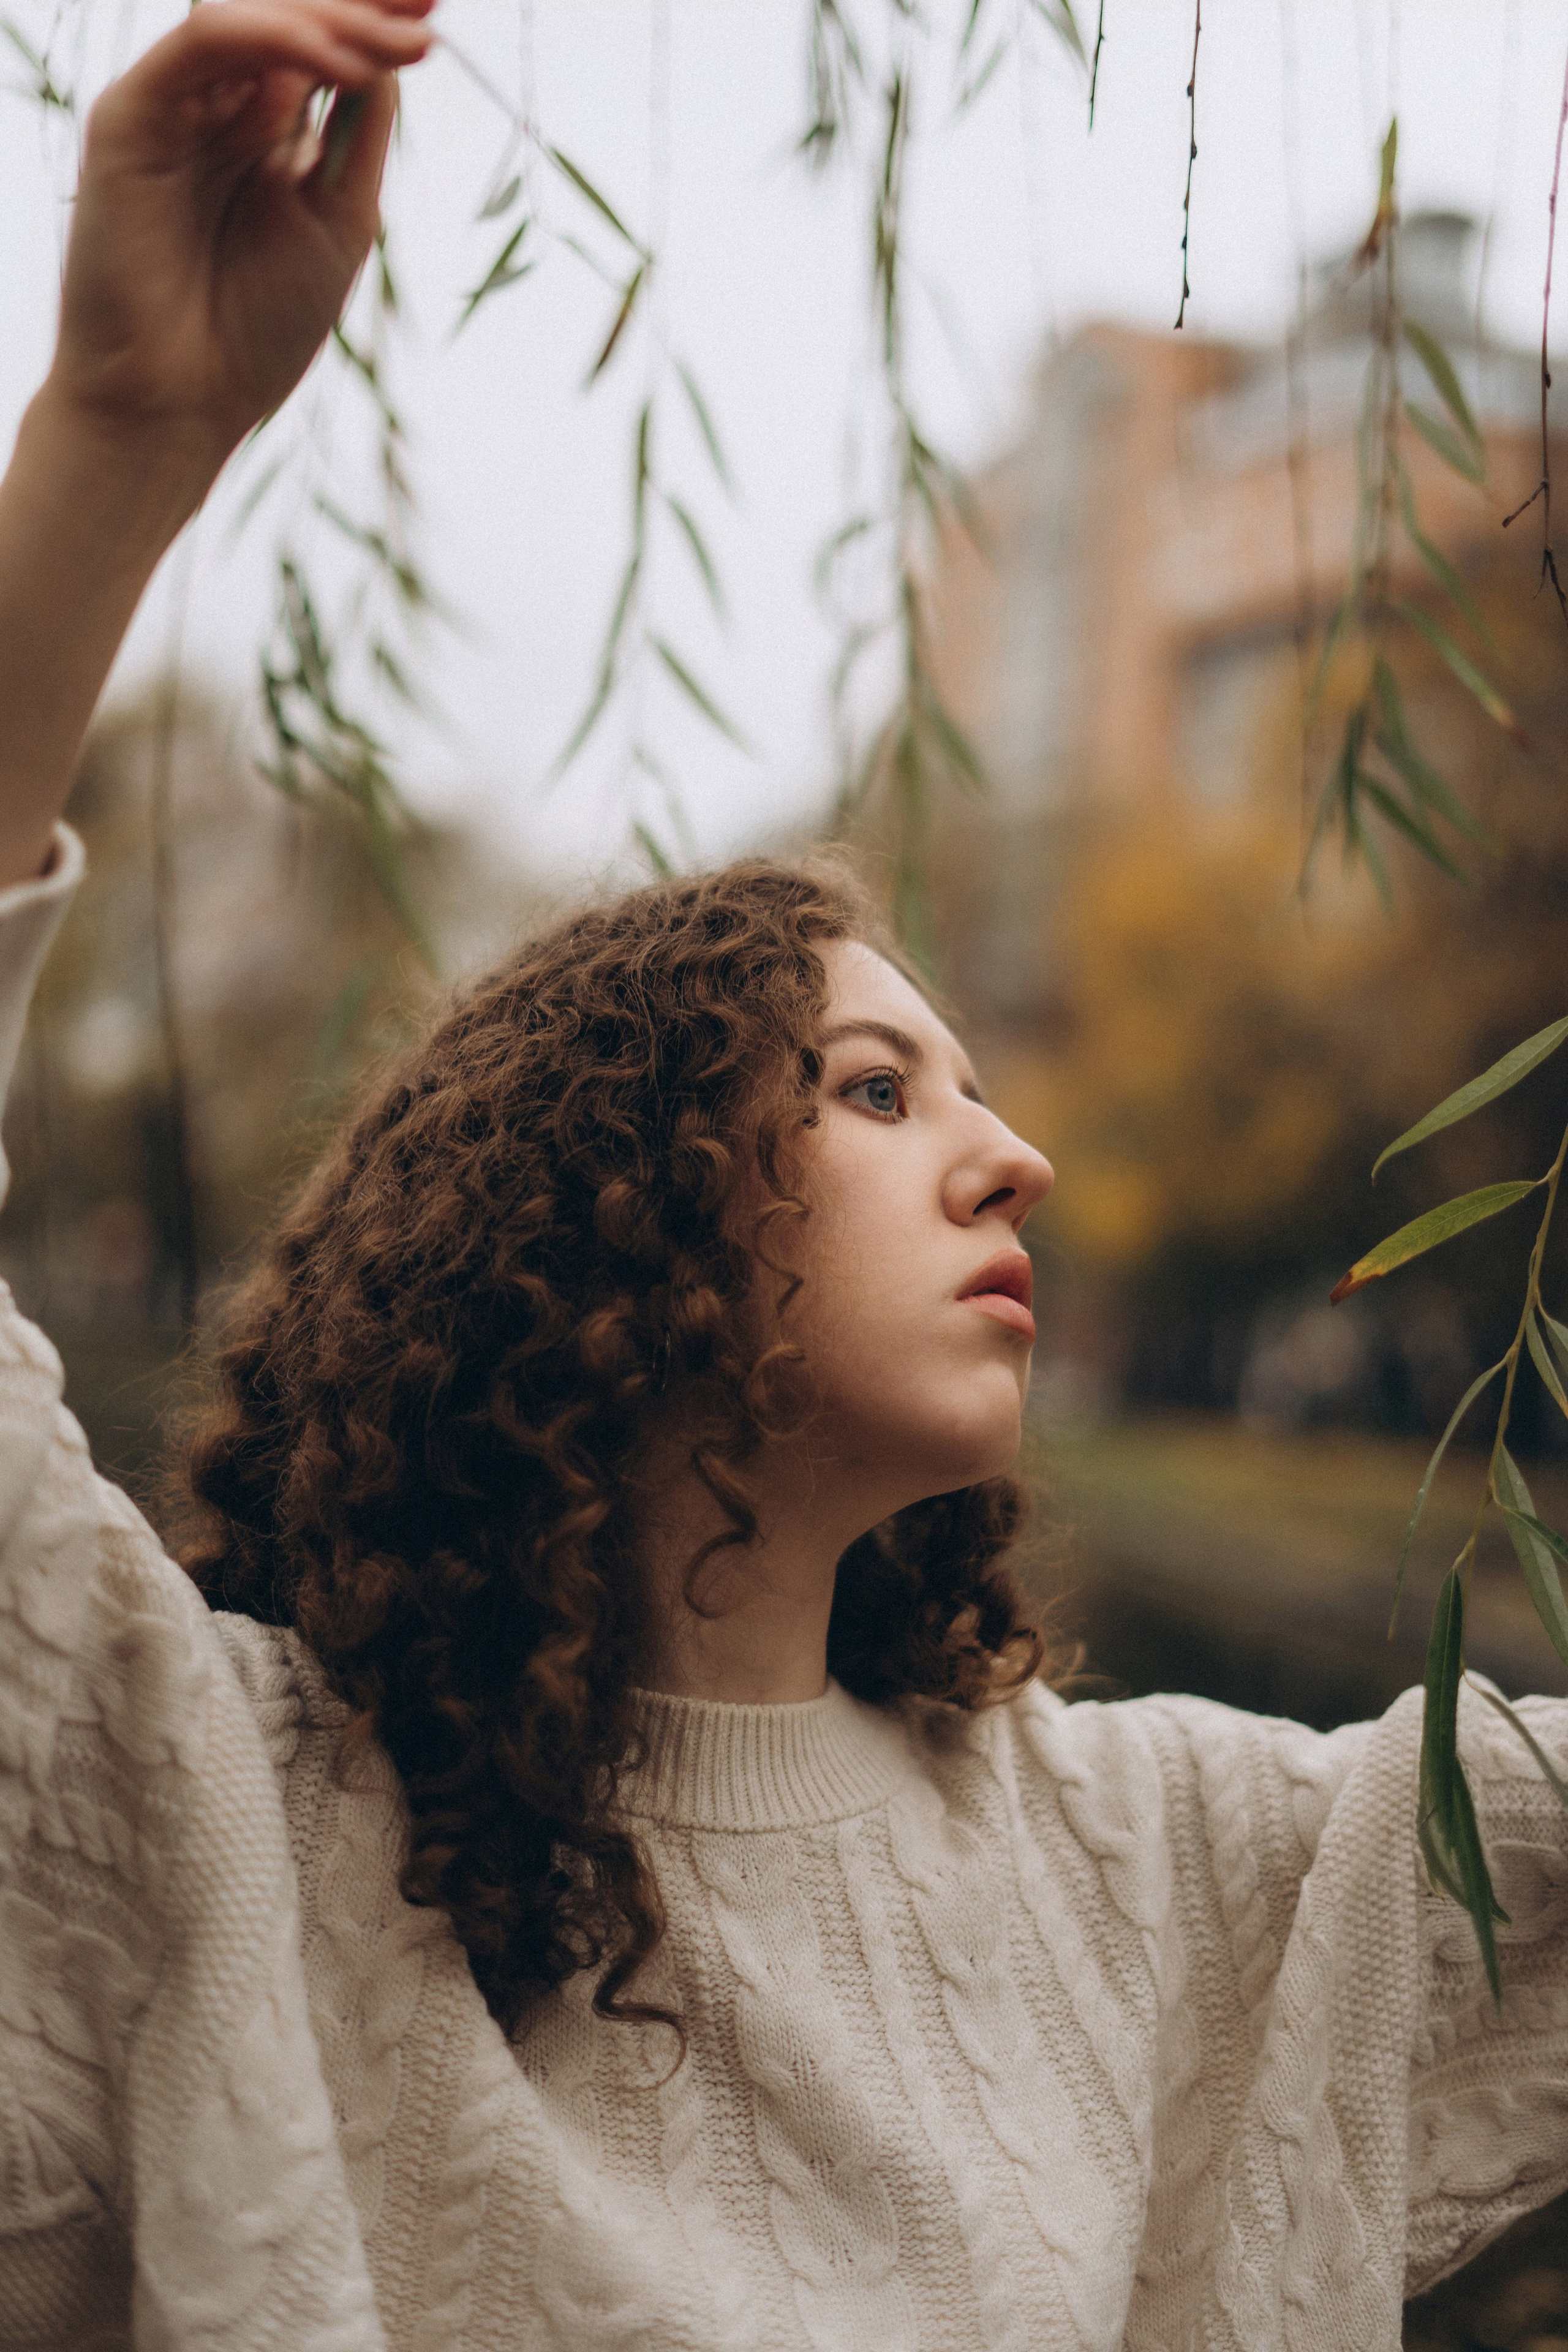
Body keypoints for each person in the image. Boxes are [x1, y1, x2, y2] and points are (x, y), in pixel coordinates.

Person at [0, 6, 1564, 2347]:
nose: (1015, 1155)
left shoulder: (1151, 1856)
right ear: (593, 1213)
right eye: (875, 1091)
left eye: (971, 1092)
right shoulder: (221, 1804)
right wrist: (121, 440)